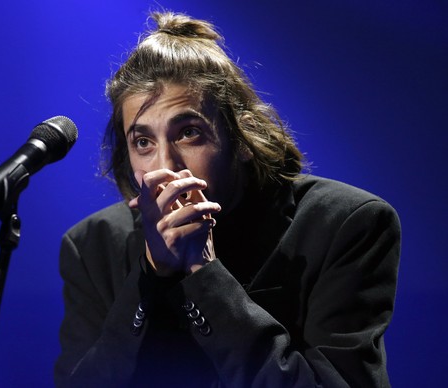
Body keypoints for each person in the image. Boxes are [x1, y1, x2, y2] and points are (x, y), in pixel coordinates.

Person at [54, 11, 401, 388]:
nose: (166, 165)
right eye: (143, 142)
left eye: (188, 133)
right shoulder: (93, 244)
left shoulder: (348, 224)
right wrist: (151, 274)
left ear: (243, 138)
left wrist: (205, 274)